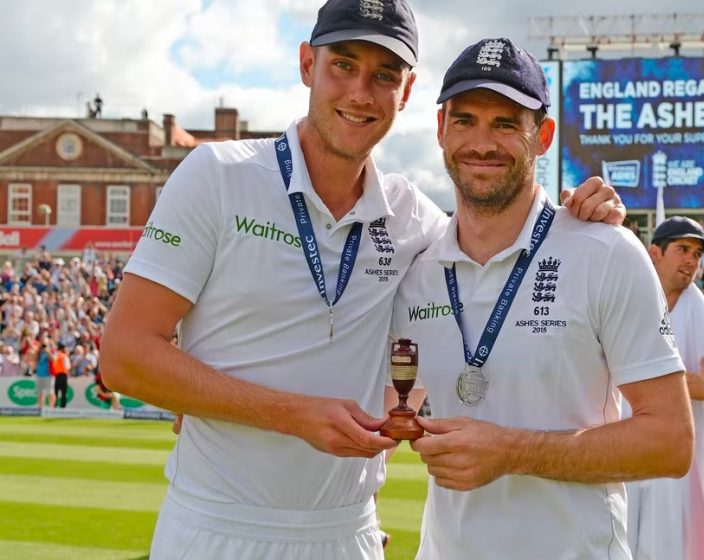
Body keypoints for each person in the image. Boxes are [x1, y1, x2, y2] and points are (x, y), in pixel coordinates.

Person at [100, 3, 624, 558]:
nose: (359, 93)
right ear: (307, 64)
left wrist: (577, 213)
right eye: (343, 65)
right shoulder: (218, 176)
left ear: (408, 91)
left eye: (384, 76)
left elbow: (497, 234)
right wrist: (290, 414)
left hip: (347, 533)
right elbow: (125, 355)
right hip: (215, 525)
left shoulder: (415, 220)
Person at [391, 38, 694, 559]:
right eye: (465, 120)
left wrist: (511, 451)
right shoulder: (414, 268)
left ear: (544, 135)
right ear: (441, 129)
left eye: (506, 123)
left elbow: (671, 442)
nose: (481, 143)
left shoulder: (606, 250)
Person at [626, 216, 704, 560]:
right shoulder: (623, 309)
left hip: (686, 465)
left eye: (697, 253)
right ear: (654, 253)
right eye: (682, 249)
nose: (691, 260)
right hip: (625, 452)